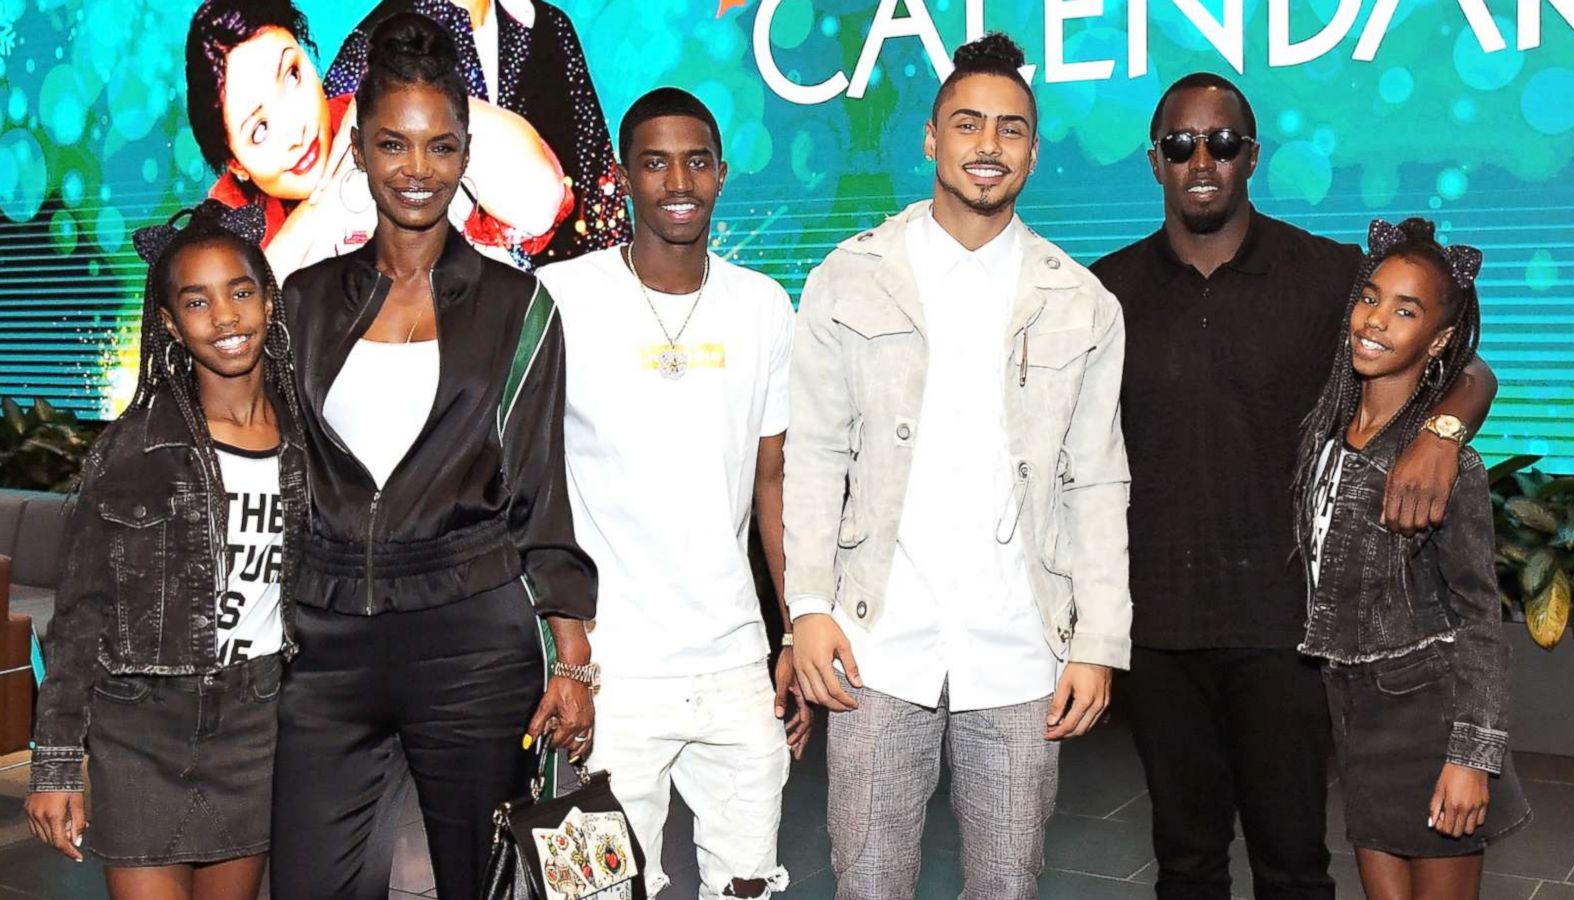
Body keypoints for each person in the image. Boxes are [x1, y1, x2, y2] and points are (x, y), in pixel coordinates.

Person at [1089, 74, 1499, 900]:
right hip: (1159, 629)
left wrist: (1442, 434)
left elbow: (1465, 363)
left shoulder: (1327, 274)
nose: (1202, 159)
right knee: (1186, 863)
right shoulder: (1103, 292)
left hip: (1288, 633)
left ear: (1252, 157)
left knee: (1293, 864)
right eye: (1180, 145)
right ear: (1155, 162)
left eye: (1222, 143)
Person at [786, 33, 1132, 900]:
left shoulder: (1080, 302)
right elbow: (818, 452)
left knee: (1009, 886)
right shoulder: (850, 278)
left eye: (1010, 129)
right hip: (874, 644)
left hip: (1019, 648)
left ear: (1033, 151)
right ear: (931, 138)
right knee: (866, 882)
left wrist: (1097, 642)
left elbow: (1097, 480)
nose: (989, 146)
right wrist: (809, 608)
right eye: (968, 124)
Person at [266, 15, 597, 900]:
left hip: (472, 643)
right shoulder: (301, 304)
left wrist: (570, 661)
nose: (417, 169)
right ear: (361, 155)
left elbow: (540, 493)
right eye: (393, 145)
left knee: (484, 884)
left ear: (465, 156)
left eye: (441, 146)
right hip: (326, 641)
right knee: (308, 882)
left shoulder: (516, 304)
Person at [539, 86, 809, 900]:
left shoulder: (762, 306)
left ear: (723, 175)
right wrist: (565, 651)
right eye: (655, 163)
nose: (678, 181)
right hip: (607, 670)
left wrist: (794, 627)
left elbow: (774, 481)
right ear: (624, 177)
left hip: (734, 663)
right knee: (593, 892)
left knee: (750, 886)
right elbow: (528, 481)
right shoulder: (559, 296)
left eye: (696, 161)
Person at [25, 200, 304, 900]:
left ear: (268, 300)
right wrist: (56, 765)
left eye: (240, 292)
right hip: (141, 727)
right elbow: (80, 615)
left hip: (256, 724)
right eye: (198, 302)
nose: (227, 316)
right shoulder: (133, 448)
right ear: (173, 325)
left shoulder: (309, 443)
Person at [1293, 217, 1530, 897]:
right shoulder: (1325, 434)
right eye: (1370, 298)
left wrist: (1471, 758)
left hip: (1431, 723)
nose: (1376, 320)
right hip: (1357, 721)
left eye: (1407, 310)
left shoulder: (1446, 466)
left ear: (1441, 338)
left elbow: (1481, 620)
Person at [185, 0, 569, 278]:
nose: (295, 130)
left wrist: (425, 103)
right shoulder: (225, 224)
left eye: (292, 76)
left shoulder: (377, 110)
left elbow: (540, 203)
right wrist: (320, 211)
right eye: (260, 129)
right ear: (236, 163)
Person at [324, 0, 632, 269]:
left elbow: (601, 193)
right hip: (436, 314)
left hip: (559, 307)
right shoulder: (373, 46)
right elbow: (330, 212)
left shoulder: (550, 27)